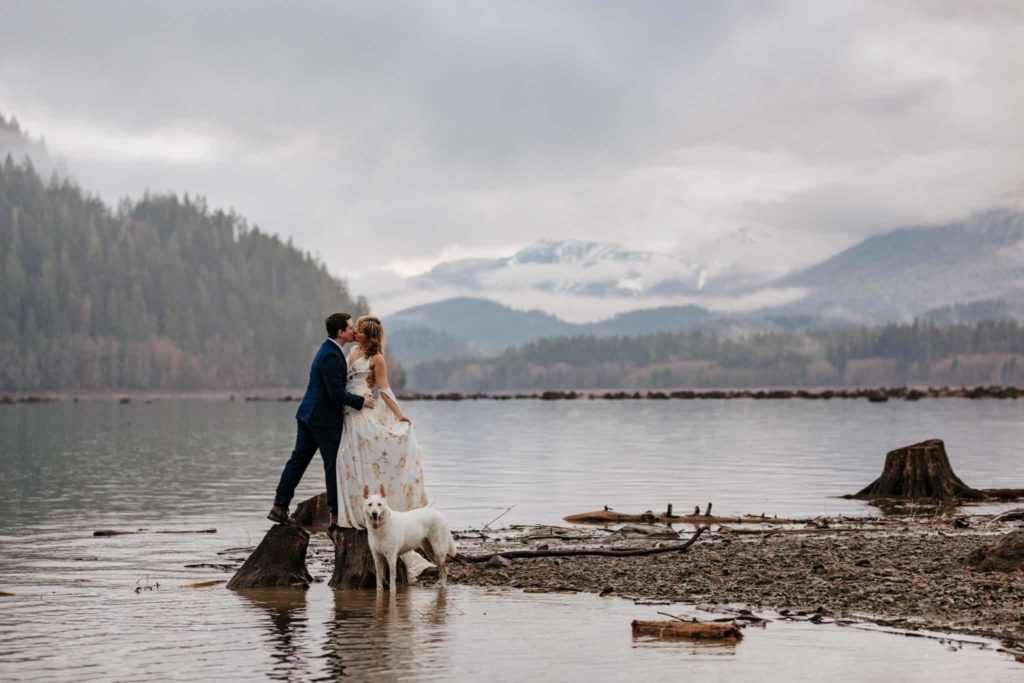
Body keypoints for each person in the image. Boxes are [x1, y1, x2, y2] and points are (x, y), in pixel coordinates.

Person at [336, 315, 432, 577]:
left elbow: (384, 390)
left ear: (369, 335)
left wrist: (400, 414)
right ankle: (354, 509)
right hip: (349, 412)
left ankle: (380, 515)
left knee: (367, 458)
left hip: (363, 415)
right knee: (347, 460)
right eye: (354, 329)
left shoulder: (376, 358)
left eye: (360, 330)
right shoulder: (351, 351)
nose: (355, 332)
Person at [268, 313, 374, 526]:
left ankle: (280, 507)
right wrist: (362, 401)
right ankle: (335, 515)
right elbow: (335, 393)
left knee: (298, 461)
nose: (354, 330)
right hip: (321, 418)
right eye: (350, 327)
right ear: (340, 332)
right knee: (332, 465)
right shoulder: (331, 356)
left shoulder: (331, 351)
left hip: (310, 414)